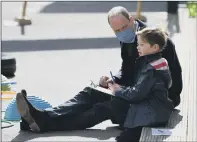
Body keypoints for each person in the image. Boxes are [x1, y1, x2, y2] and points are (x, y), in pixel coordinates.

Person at [16, 27, 174, 142]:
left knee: (102, 109)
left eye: (141, 45)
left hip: (146, 114)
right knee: (92, 92)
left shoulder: (153, 68)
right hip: (139, 105)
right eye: (138, 44)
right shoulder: (150, 61)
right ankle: (41, 117)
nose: (138, 47)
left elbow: (136, 94)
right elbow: (137, 88)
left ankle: (42, 121)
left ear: (155, 47)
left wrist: (117, 89)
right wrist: (113, 84)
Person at [107, 6, 182, 108]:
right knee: (93, 95)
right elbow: (126, 70)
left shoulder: (157, 40)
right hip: (137, 93)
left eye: (124, 27)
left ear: (131, 20)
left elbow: (175, 80)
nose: (122, 33)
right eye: (117, 31)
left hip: (160, 100)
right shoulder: (126, 40)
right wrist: (112, 80)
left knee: (105, 107)